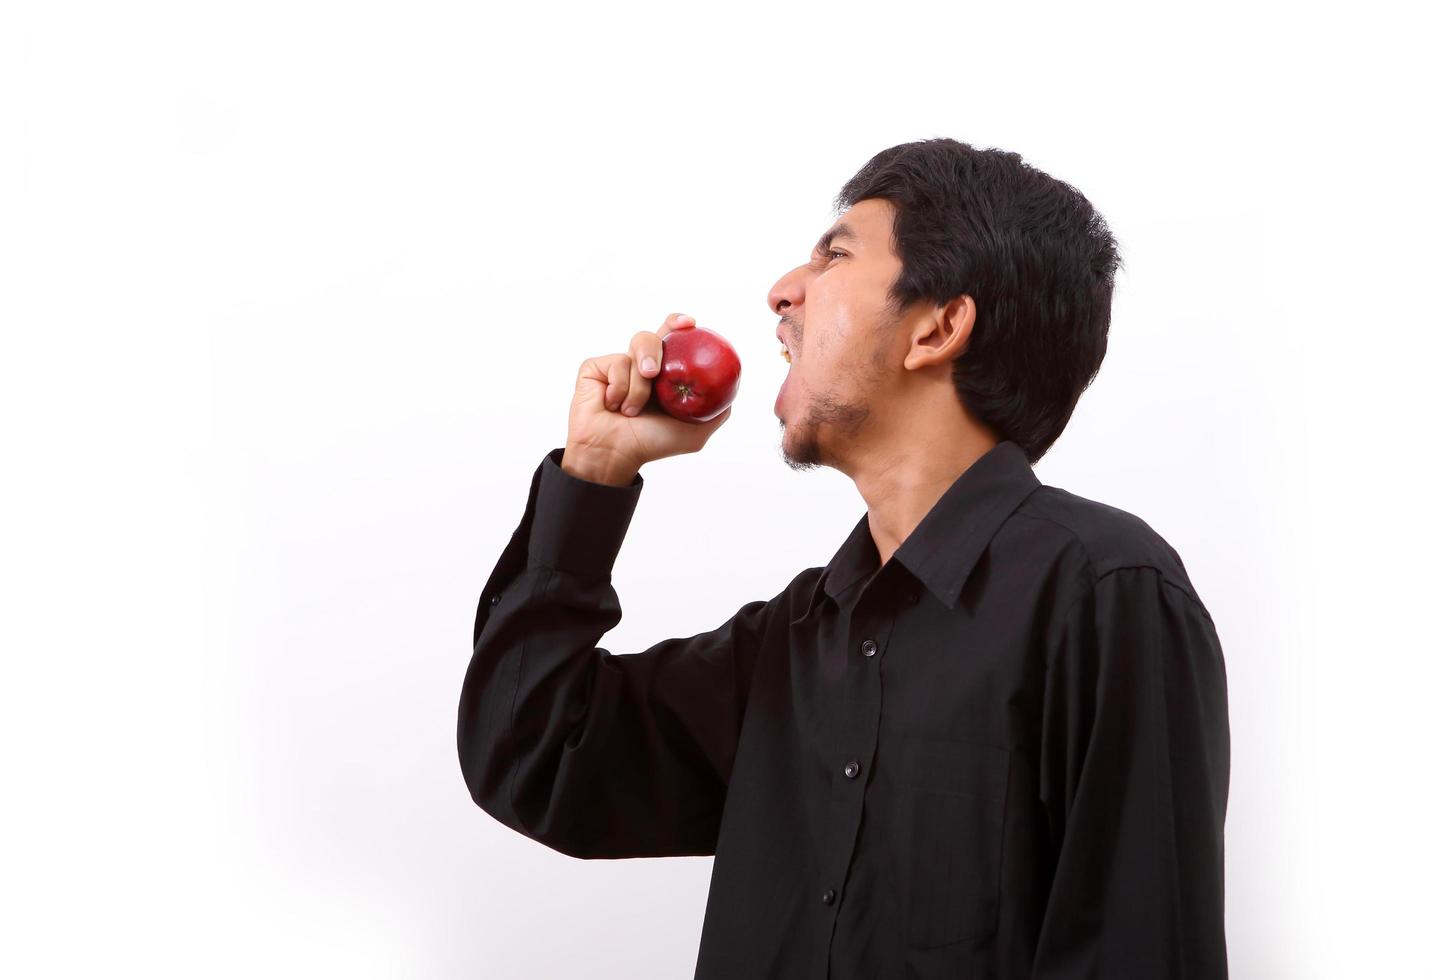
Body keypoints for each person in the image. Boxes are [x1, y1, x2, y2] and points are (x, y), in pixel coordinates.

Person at [456, 137, 1230, 979]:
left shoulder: (1105, 594)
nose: (783, 290)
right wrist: (595, 473)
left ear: (936, 327)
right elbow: (532, 753)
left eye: (835, 253)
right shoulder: (793, 641)